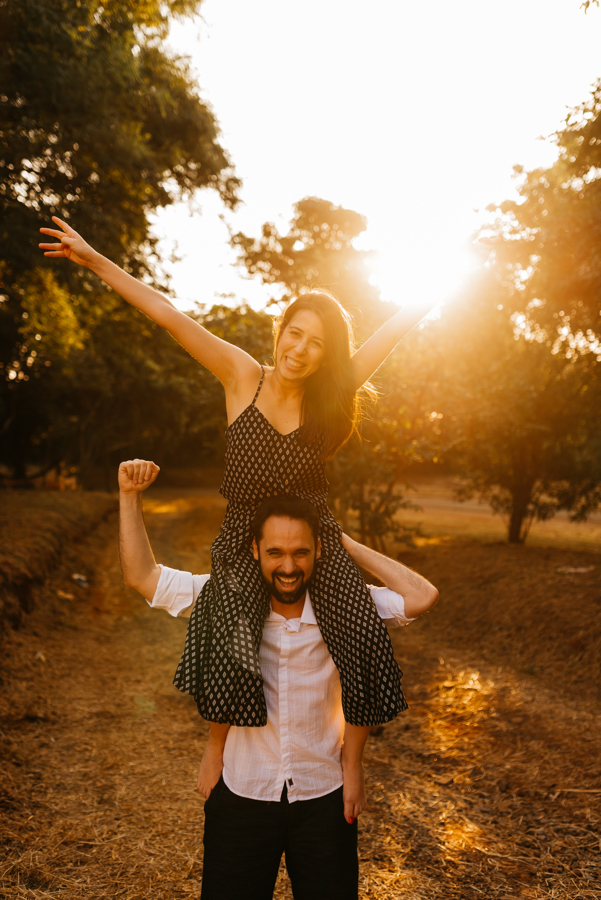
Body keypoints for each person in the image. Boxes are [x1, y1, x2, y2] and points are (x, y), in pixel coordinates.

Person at [39, 217, 437, 812]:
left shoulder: (332, 398)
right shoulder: (242, 376)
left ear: (329, 354)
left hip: (313, 536)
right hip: (244, 541)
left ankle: (351, 762)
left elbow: (395, 330)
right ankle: (215, 749)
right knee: (231, 636)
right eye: (295, 334)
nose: (300, 350)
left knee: (359, 634)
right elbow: (169, 315)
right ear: (280, 330)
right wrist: (95, 259)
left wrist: (440, 286)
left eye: (317, 343)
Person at [118, 459, 439, 900]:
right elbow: (142, 577)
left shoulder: (347, 605)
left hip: (325, 794)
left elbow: (422, 597)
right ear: (255, 549)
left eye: (301, 552)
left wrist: (344, 542)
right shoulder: (224, 599)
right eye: (275, 553)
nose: (288, 566)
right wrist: (129, 496)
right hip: (243, 789)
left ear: (318, 550)